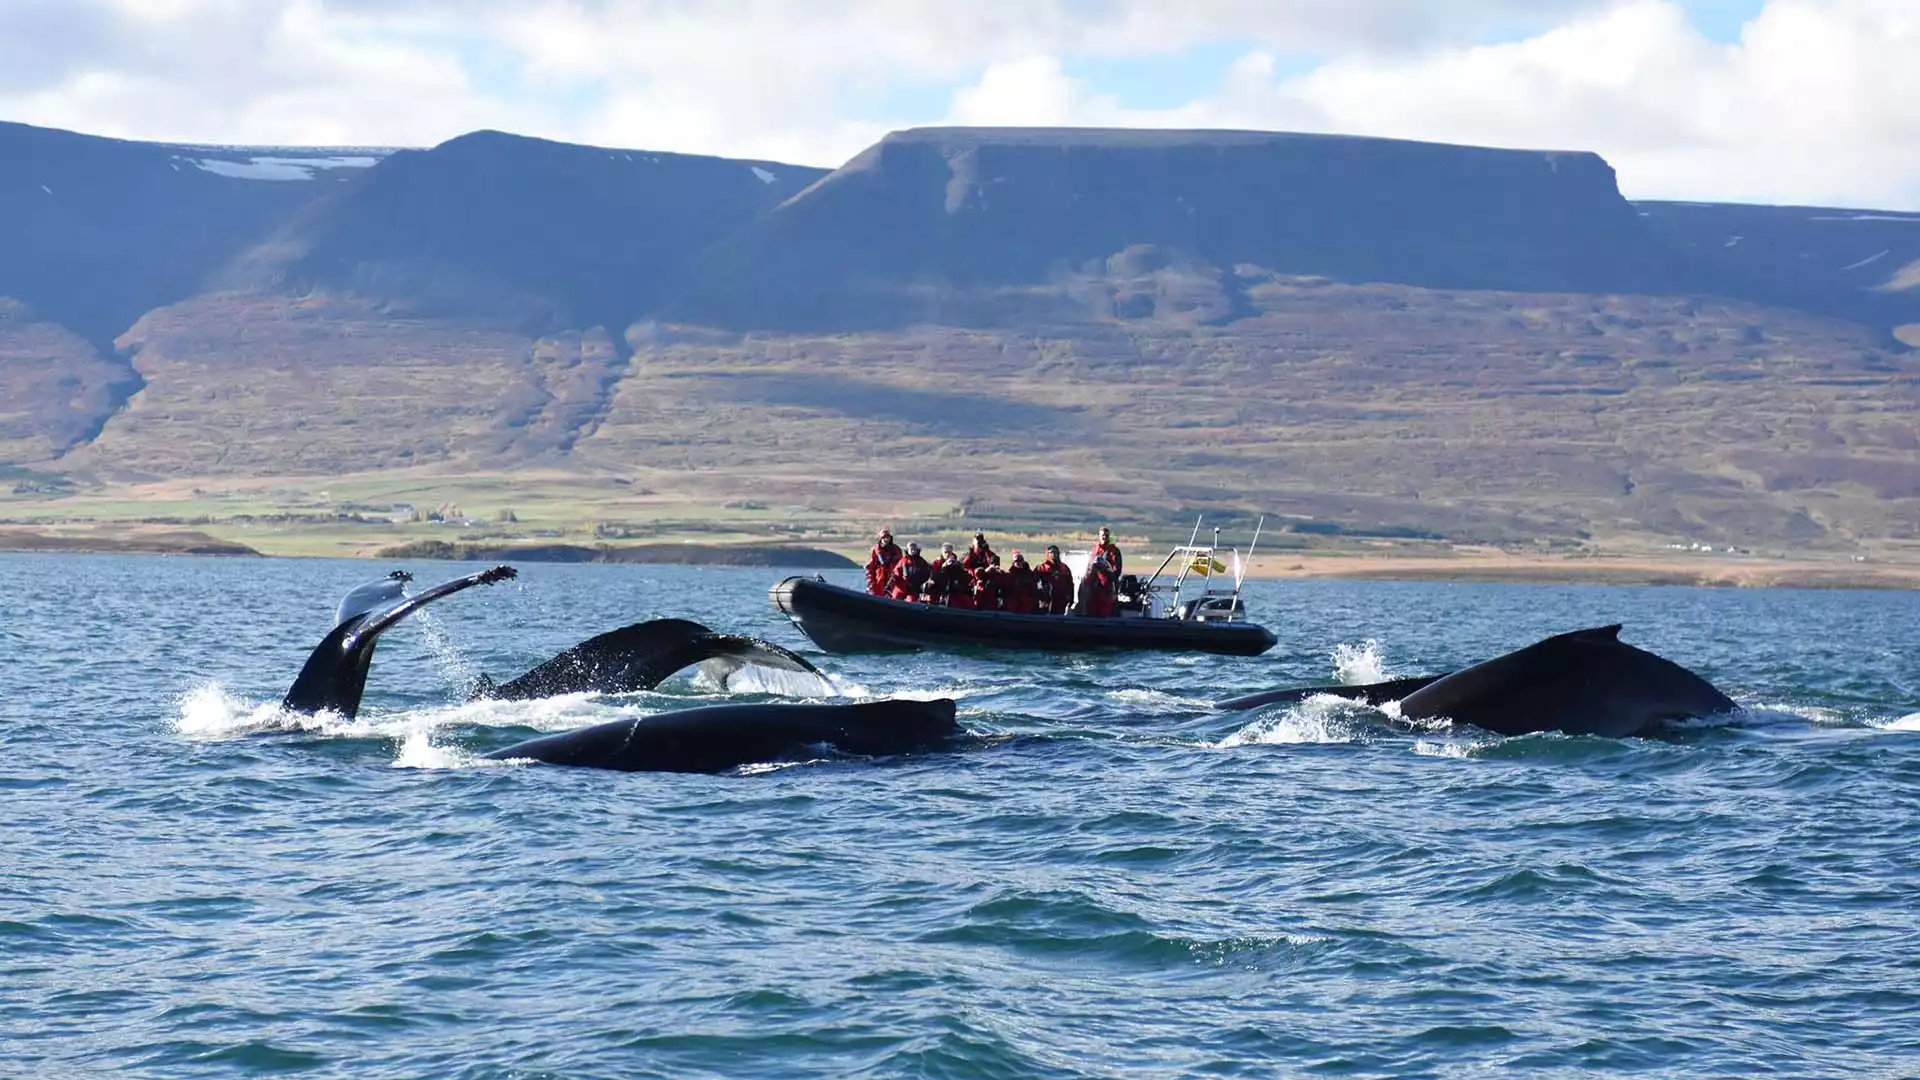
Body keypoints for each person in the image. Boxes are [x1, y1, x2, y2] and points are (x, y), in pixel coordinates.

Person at [1034, 545, 1074, 615]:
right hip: (1046, 602)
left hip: (1061, 601)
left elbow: (1070, 585)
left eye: (1056, 552)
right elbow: (1033, 583)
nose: (1054, 554)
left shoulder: (1064, 568)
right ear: (1048, 554)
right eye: (1052, 552)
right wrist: (1039, 596)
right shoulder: (1041, 568)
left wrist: (1070, 599)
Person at [1080, 548, 1119, 617]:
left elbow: (1110, 591)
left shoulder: (1107, 576)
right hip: (1094, 605)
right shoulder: (1091, 576)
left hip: (1102, 605)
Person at [865, 529, 903, 595]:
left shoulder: (896, 550)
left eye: (887, 537)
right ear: (880, 538)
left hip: (893, 580)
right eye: (884, 537)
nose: (886, 539)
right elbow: (870, 568)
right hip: (879, 580)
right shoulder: (875, 550)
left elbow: (901, 566)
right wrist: (871, 582)